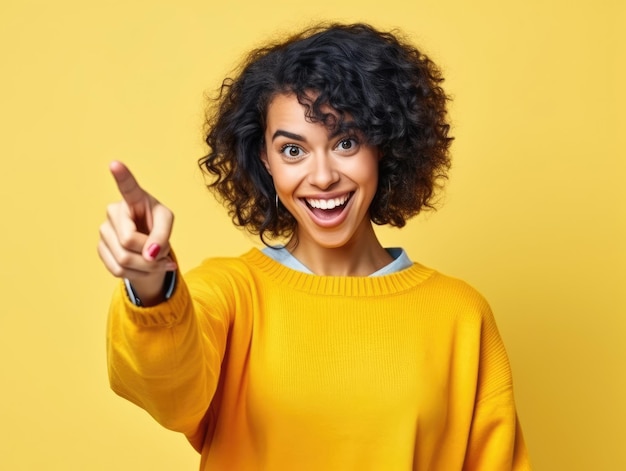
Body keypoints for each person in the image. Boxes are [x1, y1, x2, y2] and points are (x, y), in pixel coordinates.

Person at [98, 23, 531, 470]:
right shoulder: (229, 293)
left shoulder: (459, 314)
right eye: (292, 151)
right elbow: (170, 394)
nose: (322, 176)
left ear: (383, 145)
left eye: (345, 142)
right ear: (264, 158)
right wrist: (153, 289)